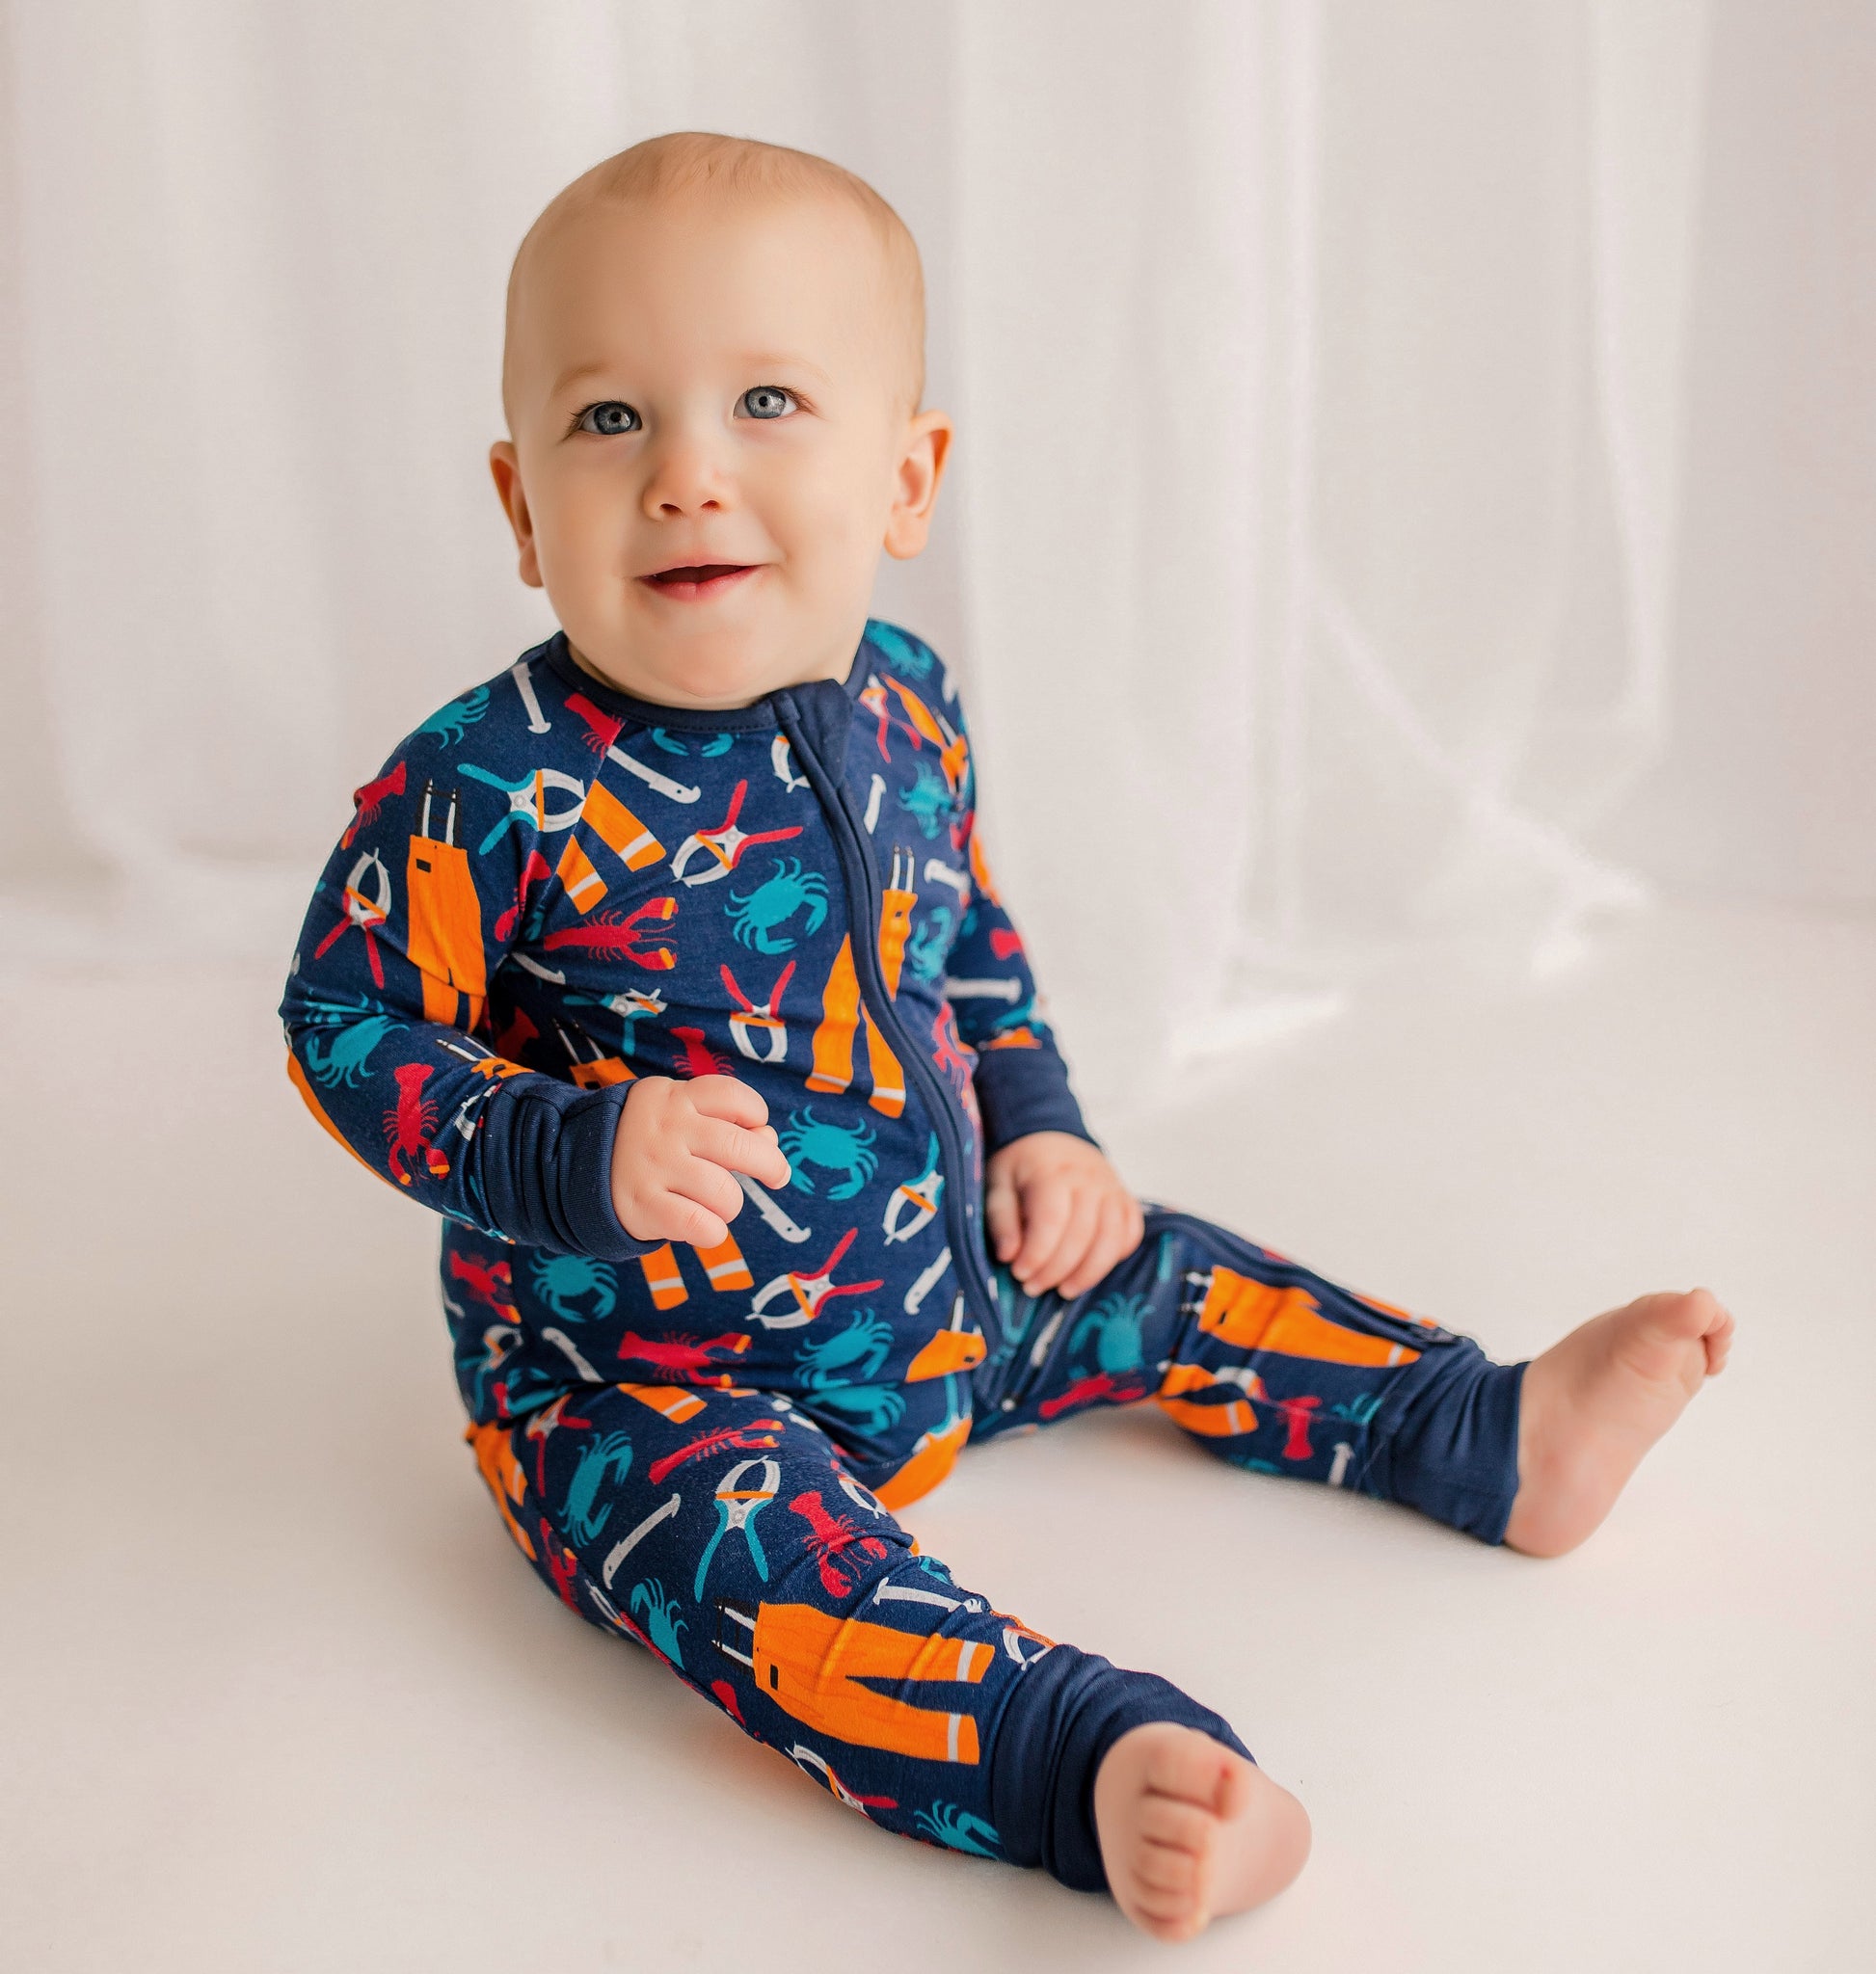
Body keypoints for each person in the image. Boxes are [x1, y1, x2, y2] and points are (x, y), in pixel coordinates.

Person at [278, 131, 1733, 1944]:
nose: (685, 477)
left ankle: (1483, 1433)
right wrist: (567, 1148)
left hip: (951, 1279)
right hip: (639, 1386)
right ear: (516, 506)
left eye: (765, 401)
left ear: (906, 474)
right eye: (607, 423)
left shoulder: (908, 704)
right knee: (771, 1589)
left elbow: (964, 946)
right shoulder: (482, 787)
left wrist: (1044, 1127)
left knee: (1173, 1272)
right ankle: (1082, 1761)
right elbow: (341, 1021)